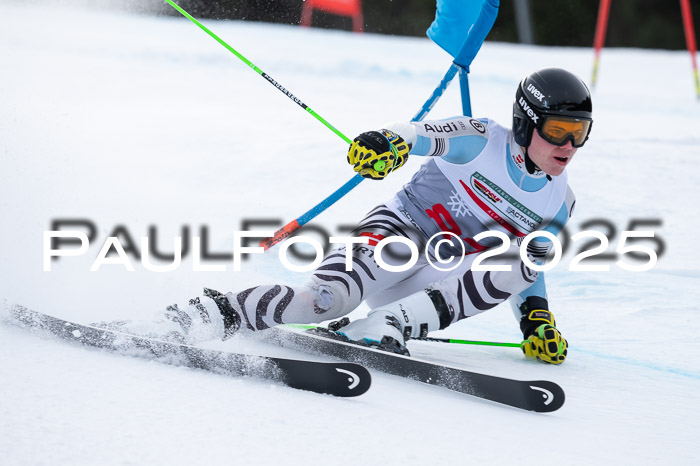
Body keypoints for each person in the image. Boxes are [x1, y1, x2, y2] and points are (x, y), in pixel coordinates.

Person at [133, 68, 592, 365]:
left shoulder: (560, 203)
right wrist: (385, 143)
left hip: (434, 281)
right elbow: (416, 134)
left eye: (579, 134)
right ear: (526, 122)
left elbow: (522, 274)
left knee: (529, 257)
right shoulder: (480, 138)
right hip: (399, 235)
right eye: (557, 131)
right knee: (322, 303)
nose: (568, 147)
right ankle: (207, 313)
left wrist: (536, 319)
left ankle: (387, 326)